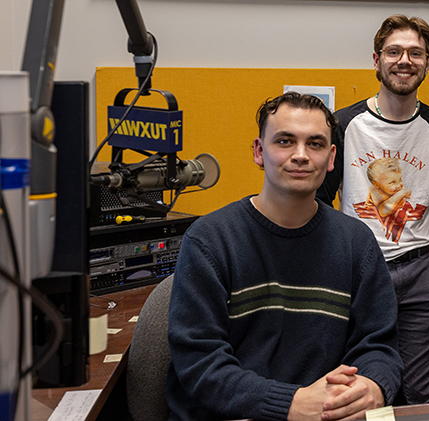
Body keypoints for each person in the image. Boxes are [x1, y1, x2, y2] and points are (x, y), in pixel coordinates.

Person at [165, 92, 403, 421]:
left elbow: (380, 345)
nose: (301, 155)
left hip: (326, 413)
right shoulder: (210, 240)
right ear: (259, 152)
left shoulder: (357, 243)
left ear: (332, 157)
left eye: (315, 144)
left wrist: (374, 385)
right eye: (285, 141)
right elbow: (200, 364)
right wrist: (290, 403)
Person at [317, 15, 429, 404]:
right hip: (358, 272)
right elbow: (320, 202)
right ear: (376, 59)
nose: (405, 60)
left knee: (424, 394)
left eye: (416, 53)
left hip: (421, 275)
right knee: (356, 386)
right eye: (394, 51)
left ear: (428, 62)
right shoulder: (344, 124)